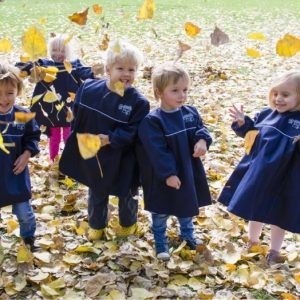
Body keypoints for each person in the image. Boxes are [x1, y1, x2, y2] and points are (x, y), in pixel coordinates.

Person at [59, 40, 150, 240]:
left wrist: (111, 138)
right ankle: (96, 226)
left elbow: (135, 131)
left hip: (123, 157)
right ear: (108, 69)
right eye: (120, 68)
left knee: (126, 192)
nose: (126, 74)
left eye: (131, 69)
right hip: (96, 155)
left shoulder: (138, 102)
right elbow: (77, 115)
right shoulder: (89, 89)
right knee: (97, 189)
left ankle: (128, 225)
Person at [218, 71, 300, 263]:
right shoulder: (266, 114)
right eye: (275, 94)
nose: (278, 99)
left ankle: (274, 251)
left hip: (286, 177)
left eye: (285, 95)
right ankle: (253, 241)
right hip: (261, 173)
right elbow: (251, 134)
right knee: (255, 206)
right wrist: (242, 123)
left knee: (278, 214)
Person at [137, 63, 212, 261]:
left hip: (187, 170)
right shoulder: (153, 121)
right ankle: (161, 243)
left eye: (185, 90)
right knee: (160, 211)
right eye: (175, 90)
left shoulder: (190, 113)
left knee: (186, 206)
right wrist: (168, 173)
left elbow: (200, 129)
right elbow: (157, 151)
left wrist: (202, 140)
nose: (182, 95)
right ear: (159, 92)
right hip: (163, 175)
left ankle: (187, 236)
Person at [17, 34, 95, 161]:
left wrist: (95, 74)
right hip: (52, 110)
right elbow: (28, 66)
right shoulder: (45, 65)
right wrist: (20, 68)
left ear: (68, 52)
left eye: (62, 50)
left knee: (68, 135)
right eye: (54, 50)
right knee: (54, 137)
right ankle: (54, 161)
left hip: (69, 108)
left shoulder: (73, 65)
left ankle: (70, 161)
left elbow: (85, 72)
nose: (58, 54)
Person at [0, 63, 40, 251]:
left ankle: (29, 239)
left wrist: (27, 153)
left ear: (18, 91)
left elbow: (33, 137)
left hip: (15, 175)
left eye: (9, 92)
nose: (3, 99)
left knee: (25, 214)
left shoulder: (22, 115)